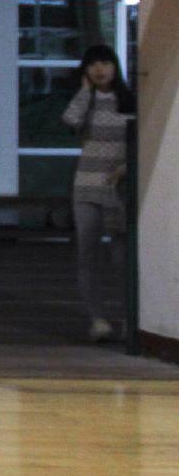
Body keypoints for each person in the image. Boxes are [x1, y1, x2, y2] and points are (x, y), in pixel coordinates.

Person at [64, 43, 134, 342]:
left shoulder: (129, 101)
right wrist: (84, 92)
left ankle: (130, 318)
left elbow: (140, 140)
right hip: (86, 186)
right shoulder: (86, 101)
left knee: (122, 257)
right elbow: (70, 121)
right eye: (93, 64)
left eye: (105, 63)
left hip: (118, 188)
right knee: (88, 254)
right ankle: (97, 320)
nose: (100, 69)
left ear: (115, 67)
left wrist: (127, 168)